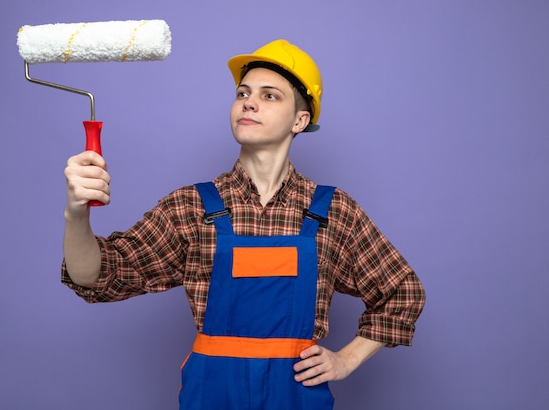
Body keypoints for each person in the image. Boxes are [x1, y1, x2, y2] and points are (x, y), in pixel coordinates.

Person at [61, 39, 426, 410]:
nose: (249, 102)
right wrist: (76, 214)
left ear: (300, 120)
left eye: (270, 96)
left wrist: (347, 359)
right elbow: (96, 274)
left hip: (296, 396)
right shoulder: (191, 208)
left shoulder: (332, 212)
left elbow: (403, 291)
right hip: (213, 395)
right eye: (243, 93)